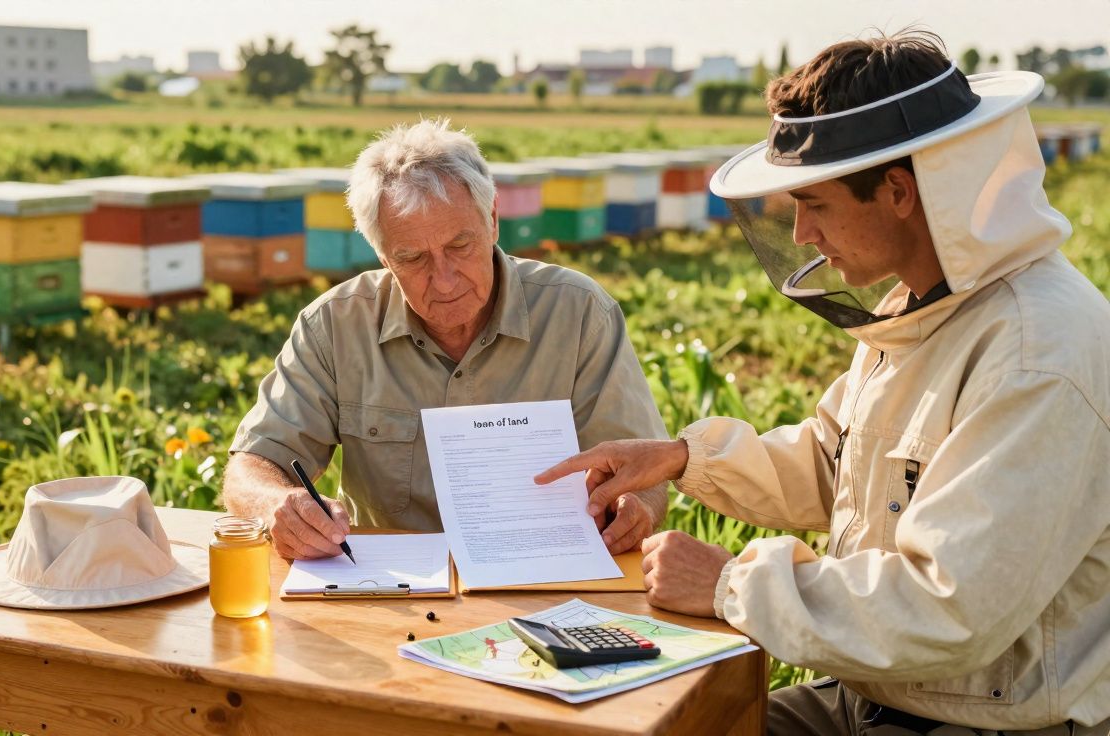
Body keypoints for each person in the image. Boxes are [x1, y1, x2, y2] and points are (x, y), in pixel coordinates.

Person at [536, 32, 1110, 735]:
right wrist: (681, 457)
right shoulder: (927, 304)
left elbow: (951, 605)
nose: (803, 233)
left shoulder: (1035, 353)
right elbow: (834, 459)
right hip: (879, 696)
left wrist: (727, 584)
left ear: (898, 191)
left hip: (989, 722)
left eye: (817, 204)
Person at [223, 118, 669, 561]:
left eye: (460, 246)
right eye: (413, 258)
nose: (444, 279)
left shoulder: (580, 314)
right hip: (391, 589)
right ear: (382, 256)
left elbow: (644, 475)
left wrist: (635, 506)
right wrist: (276, 505)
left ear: (492, 220)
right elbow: (253, 464)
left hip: (547, 581)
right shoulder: (335, 324)